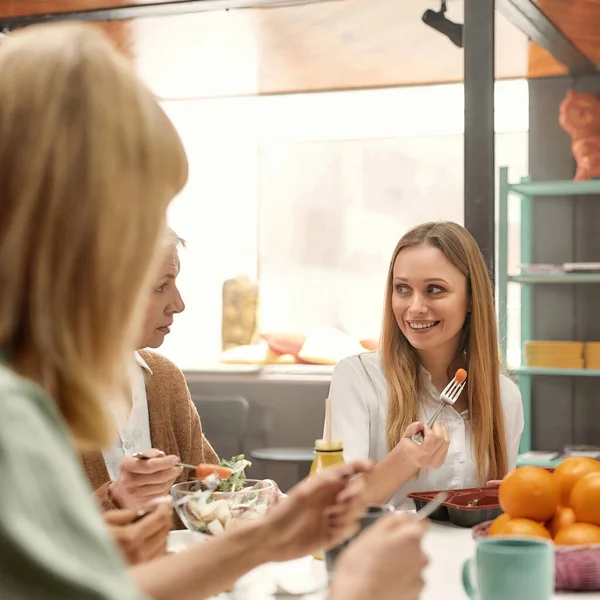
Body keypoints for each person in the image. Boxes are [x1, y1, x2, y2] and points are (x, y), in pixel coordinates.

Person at [0, 22, 428, 600]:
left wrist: (267, 536)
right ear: (66, 233)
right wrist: (357, 591)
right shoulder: (13, 423)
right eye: (136, 220)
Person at [329, 221, 524, 508]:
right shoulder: (358, 379)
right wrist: (404, 460)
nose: (415, 307)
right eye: (403, 289)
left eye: (434, 289)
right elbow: (336, 508)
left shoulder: (504, 396)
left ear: (471, 298)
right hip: (386, 553)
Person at [81, 229, 220, 516]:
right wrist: (115, 498)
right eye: (161, 287)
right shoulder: (35, 393)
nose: (178, 305)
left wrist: (259, 500)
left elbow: (209, 489)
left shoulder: (166, 378)